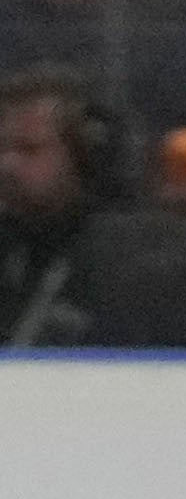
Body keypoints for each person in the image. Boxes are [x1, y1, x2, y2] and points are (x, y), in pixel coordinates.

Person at [0, 65, 105, 345]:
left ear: (78, 156)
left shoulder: (116, 257)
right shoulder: (8, 244)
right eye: (3, 149)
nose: (7, 165)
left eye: (29, 149)